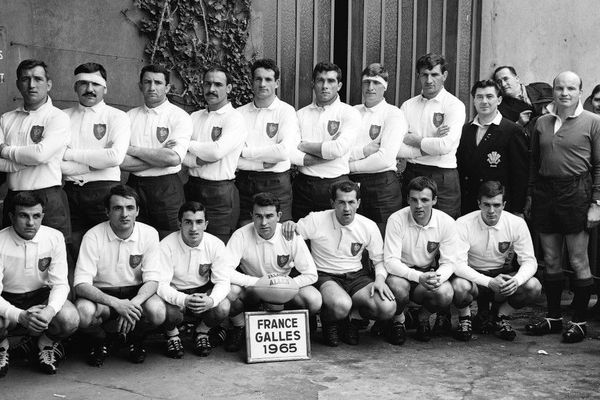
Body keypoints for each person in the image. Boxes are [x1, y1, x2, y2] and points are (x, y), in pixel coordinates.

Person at [525, 71, 600, 343]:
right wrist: (531, 196)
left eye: (571, 88)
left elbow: (599, 165)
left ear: (581, 92)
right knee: (552, 259)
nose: (564, 93)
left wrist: (596, 203)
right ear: (553, 91)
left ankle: (579, 322)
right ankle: (553, 318)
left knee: (579, 260)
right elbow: (534, 163)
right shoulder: (542, 122)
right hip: (545, 193)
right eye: (559, 88)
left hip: (576, 192)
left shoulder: (593, 122)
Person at [282, 180, 395, 347]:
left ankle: (353, 320)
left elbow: (378, 259)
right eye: (341, 202)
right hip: (325, 276)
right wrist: (289, 225)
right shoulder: (316, 220)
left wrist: (379, 280)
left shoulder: (368, 226)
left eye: (351, 202)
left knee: (387, 307)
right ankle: (330, 322)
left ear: (358, 203)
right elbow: (291, 237)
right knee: (340, 304)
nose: (346, 208)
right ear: (332, 203)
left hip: (357, 277)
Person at [74, 185, 164, 366]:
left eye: (130, 208)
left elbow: (153, 280)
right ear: (107, 211)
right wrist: (117, 304)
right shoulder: (93, 236)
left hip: (135, 293)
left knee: (158, 312)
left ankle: (135, 339)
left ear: (137, 211)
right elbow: (81, 284)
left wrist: (132, 304)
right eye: (117, 208)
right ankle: (101, 341)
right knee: (83, 313)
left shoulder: (149, 233)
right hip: (103, 295)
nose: (124, 214)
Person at [226, 192, 321, 352]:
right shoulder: (240, 235)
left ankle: (291, 326)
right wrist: (258, 283)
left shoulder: (290, 234)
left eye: (269, 216)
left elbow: (311, 274)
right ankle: (239, 326)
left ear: (279, 216)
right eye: (258, 216)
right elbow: (225, 271)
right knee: (229, 291)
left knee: (314, 299)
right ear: (252, 216)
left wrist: (283, 285)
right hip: (253, 287)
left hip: (284, 288)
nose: (263, 222)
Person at [0, 192, 79, 376]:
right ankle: (2, 346)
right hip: (7, 297)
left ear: (42, 216)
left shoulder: (54, 237)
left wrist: (49, 311)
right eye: (23, 216)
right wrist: (20, 316)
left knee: (70, 319)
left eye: (36, 216)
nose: (30, 223)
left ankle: (45, 343)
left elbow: (60, 284)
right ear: (11, 216)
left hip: (40, 295)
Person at [453, 181, 541, 341]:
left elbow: (529, 261)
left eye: (496, 205)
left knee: (533, 286)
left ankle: (501, 317)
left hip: (502, 277)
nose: (491, 211)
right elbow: (457, 265)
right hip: (473, 278)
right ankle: (464, 318)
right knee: (459, 286)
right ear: (478, 203)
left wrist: (516, 280)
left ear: (504, 204)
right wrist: (488, 281)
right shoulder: (463, 223)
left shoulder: (517, 223)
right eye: (486, 205)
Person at [62, 62, 130, 256]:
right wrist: (96, 164)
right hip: (70, 193)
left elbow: (115, 156)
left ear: (105, 88)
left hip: (105, 191)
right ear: (75, 86)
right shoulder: (62, 117)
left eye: (96, 84)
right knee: (74, 248)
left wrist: (70, 154)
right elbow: (57, 164)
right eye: (83, 83)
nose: (89, 89)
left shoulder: (117, 117)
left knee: (107, 249)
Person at [0, 59, 71, 242]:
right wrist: (22, 163)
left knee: (52, 255)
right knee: (9, 254)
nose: (31, 85)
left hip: (48, 197)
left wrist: (5, 150)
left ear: (48, 84)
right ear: (18, 84)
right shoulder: (6, 119)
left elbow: (41, 154)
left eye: (38, 79)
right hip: (14, 197)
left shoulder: (58, 117)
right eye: (25, 79)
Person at [383, 176, 459, 344]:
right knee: (397, 287)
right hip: (401, 273)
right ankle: (399, 320)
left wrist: (437, 278)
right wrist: (417, 277)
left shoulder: (446, 222)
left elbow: (449, 262)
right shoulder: (396, 219)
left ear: (434, 200)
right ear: (408, 199)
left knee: (445, 292)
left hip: (427, 274)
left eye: (424, 200)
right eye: (414, 200)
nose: (418, 206)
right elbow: (390, 261)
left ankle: (422, 318)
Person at [122, 64, 192, 239]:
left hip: (167, 189)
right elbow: (120, 161)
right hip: (135, 186)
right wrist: (158, 156)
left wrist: (133, 150)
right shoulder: (128, 117)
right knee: (136, 238)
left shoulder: (179, 116)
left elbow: (173, 158)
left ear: (167, 87)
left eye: (158, 83)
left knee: (170, 239)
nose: (152, 87)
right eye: (147, 82)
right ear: (140, 85)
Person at [157, 201, 232, 358]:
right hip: (174, 291)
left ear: (206, 224)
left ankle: (202, 332)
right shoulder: (166, 245)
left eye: (199, 222)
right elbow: (161, 284)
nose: (193, 228)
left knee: (223, 306)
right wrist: (183, 299)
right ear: (179, 224)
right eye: (188, 222)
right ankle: (172, 334)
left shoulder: (216, 244)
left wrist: (211, 300)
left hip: (202, 291)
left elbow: (223, 281)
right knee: (165, 312)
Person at [184, 65, 247, 243]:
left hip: (220, 193)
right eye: (207, 84)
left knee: (218, 245)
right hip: (192, 187)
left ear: (228, 88)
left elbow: (217, 151)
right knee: (190, 243)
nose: (211, 89)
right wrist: (196, 161)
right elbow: (178, 153)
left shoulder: (234, 119)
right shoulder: (194, 117)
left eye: (218, 84)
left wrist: (188, 144)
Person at [290, 62, 360, 221]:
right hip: (303, 186)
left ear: (339, 85)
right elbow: (291, 154)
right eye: (320, 80)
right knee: (301, 238)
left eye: (331, 81)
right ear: (313, 83)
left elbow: (338, 149)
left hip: (337, 185)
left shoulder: (349, 113)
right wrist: (328, 153)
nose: (325, 86)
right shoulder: (299, 114)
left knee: (334, 239)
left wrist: (304, 145)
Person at [399, 53, 466, 219]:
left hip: (443, 176)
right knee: (410, 226)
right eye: (425, 75)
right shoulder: (407, 106)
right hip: (413, 172)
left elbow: (445, 146)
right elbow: (397, 147)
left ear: (444, 75)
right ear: (418, 76)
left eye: (434, 74)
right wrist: (431, 144)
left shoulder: (454, 105)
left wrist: (415, 140)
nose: (429, 80)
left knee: (445, 228)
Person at [236, 59, 299, 226]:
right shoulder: (239, 114)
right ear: (251, 82)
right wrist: (262, 164)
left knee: (279, 235)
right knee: (246, 232)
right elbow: (232, 157)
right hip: (245, 183)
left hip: (277, 182)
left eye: (268, 79)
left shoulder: (287, 111)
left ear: (277, 83)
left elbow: (283, 152)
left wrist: (246, 153)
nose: (262, 84)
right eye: (258, 79)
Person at [457, 80, 528, 215]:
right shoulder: (465, 130)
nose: (484, 101)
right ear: (474, 100)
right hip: (470, 206)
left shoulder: (513, 131)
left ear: (499, 100)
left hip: (499, 207)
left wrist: (518, 210)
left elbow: (520, 175)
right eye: (479, 97)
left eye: (489, 96)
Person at [349, 63, 404, 235]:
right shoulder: (351, 112)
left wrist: (349, 166)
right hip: (352, 185)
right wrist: (363, 151)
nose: (370, 87)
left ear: (385, 87)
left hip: (382, 187)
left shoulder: (393, 114)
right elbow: (342, 151)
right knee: (354, 235)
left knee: (382, 237)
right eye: (366, 82)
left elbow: (385, 158)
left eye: (376, 83)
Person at [493, 65, 552, 134]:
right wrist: (519, 123)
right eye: (499, 82)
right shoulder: (502, 108)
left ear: (517, 78)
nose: (503, 84)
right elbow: (504, 136)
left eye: (506, 79)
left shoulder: (541, 88)